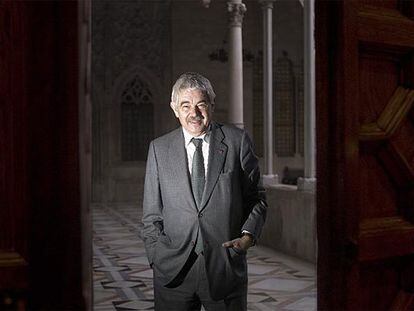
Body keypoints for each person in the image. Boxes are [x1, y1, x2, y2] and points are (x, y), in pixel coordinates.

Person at [142, 72, 267, 311]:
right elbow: (151, 214)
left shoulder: (237, 141)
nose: (194, 113)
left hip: (225, 267)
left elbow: (256, 198)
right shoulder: (159, 149)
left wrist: (248, 238)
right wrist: (156, 257)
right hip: (172, 272)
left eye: (201, 104)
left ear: (212, 104)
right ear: (174, 108)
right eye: (185, 105)